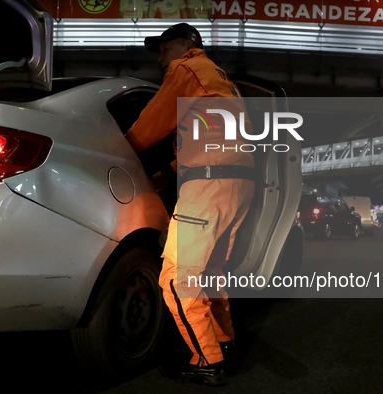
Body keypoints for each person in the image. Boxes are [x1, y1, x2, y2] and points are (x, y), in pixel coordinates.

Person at [125, 23, 255, 386]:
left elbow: (149, 125)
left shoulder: (186, 69)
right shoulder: (220, 81)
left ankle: (207, 362)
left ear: (187, 44)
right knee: (211, 271)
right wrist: (168, 173)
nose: (159, 55)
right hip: (237, 183)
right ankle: (224, 342)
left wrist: (117, 150)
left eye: (164, 47)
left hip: (210, 186)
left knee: (177, 279)